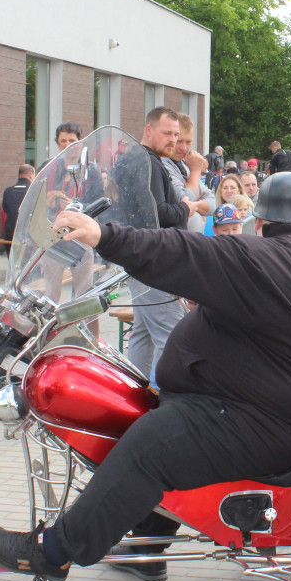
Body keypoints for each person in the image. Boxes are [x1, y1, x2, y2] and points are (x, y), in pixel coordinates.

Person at [0, 173, 291, 581]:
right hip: (271, 408)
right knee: (166, 428)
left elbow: (184, 250)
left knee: (150, 446)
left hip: (261, 420)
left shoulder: (268, 259)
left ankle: (54, 552)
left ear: (260, 222)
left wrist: (103, 236)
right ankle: (147, 547)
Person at [123, 107, 193, 389]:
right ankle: (168, 400)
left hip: (141, 259)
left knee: (142, 333)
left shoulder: (136, 159)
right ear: (149, 130)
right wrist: (185, 208)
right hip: (154, 261)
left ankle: (133, 394)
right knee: (172, 335)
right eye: (167, 133)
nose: (173, 140)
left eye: (176, 134)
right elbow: (158, 212)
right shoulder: (147, 162)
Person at [162, 113, 213, 234]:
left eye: (188, 142)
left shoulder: (185, 165)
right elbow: (183, 201)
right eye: (179, 141)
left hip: (191, 239)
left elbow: (212, 202)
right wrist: (195, 171)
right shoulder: (162, 164)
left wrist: (195, 206)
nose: (184, 148)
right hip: (174, 238)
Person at [1, 164, 34, 244]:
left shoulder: (8, 191)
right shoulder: (33, 190)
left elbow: (5, 209)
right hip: (28, 236)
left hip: (10, 235)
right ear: (31, 175)